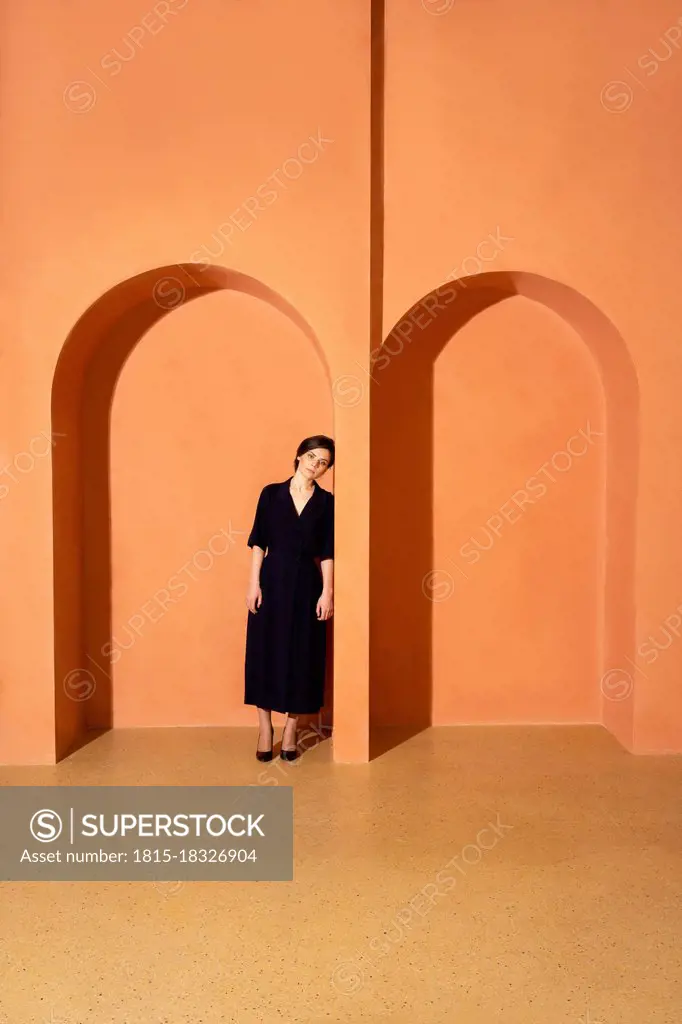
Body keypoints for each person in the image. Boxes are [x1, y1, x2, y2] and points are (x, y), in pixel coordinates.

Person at [244, 435, 335, 762]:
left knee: (303, 656)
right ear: (298, 456)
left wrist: (327, 591)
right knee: (265, 653)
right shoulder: (271, 494)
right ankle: (266, 728)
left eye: (323, 462)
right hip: (271, 582)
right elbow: (258, 542)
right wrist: (253, 584)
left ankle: (292, 729)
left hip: (307, 587)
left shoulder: (327, 503)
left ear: (326, 469)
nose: (315, 464)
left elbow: (327, 551)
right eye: (311, 456)